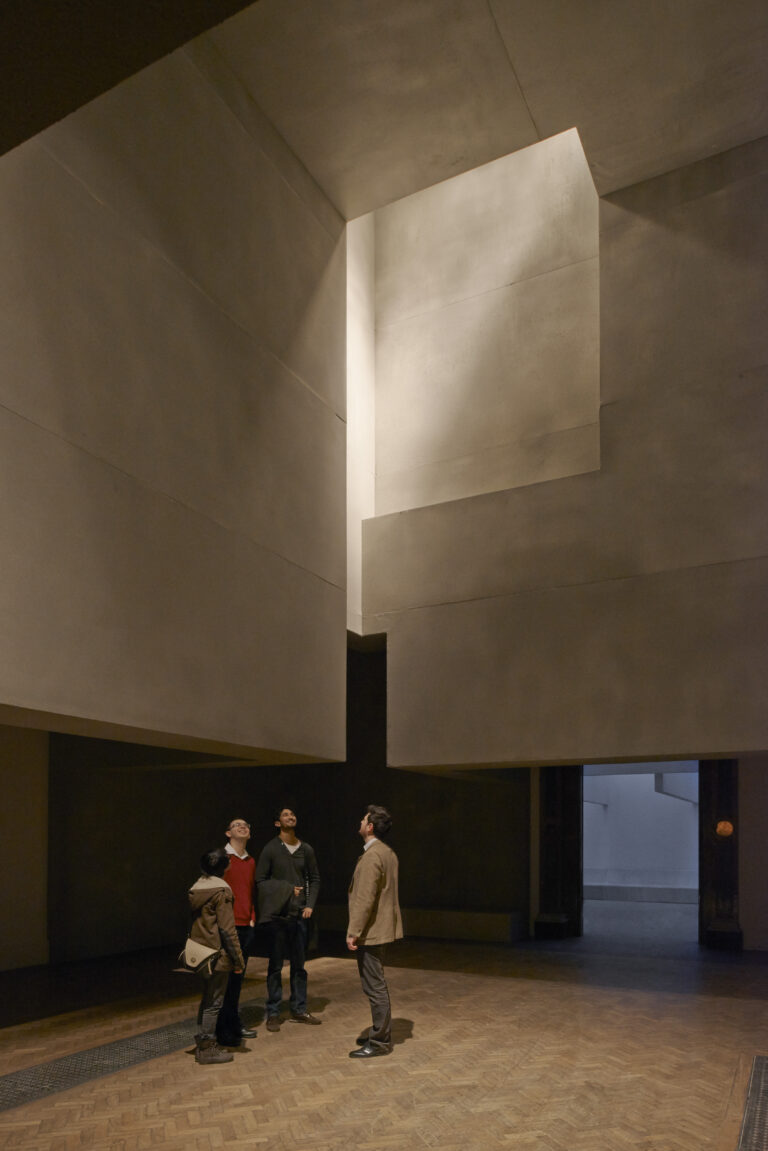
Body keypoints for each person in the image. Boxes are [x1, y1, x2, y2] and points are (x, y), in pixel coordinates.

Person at [255, 806, 321, 1030]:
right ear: (277, 823)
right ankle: (273, 1011)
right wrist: (285, 890)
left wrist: (309, 905)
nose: (291, 816)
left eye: (293, 814)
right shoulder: (270, 849)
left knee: (299, 965)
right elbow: (261, 881)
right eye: (285, 815)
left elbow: (315, 879)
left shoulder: (306, 849)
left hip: (300, 915)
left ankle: (299, 1008)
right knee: (275, 966)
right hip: (278, 916)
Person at [346, 805, 403, 1058]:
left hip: (371, 930)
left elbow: (365, 898)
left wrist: (353, 931)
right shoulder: (387, 853)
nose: (360, 822)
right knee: (376, 983)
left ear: (370, 827)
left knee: (374, 985)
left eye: (363, 819)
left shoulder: (373, 856)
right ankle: (380, 1033)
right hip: (380, 927)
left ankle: (379, 1041)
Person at [188, 847, 245, 1065]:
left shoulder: (197, 889)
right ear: (224, 867)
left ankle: (203, 1039)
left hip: (200, 951)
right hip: (217, 953)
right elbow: (228, 931)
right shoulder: (221, 891)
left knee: (207, 998)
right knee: (214, 1002)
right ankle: (207, 1047)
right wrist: (238, 960)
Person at [216, 817, 258, 1047]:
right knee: (224, 980)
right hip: (227, 928)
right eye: (236, 825)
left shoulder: (250, 861)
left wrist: (252, 918)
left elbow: (250, 891)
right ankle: (223, 1029)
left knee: (237, 980)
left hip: (245, 926)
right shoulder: (222, 859)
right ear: (227, 833)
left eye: (246, 825)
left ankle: (233, 1023)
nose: (243, 826)